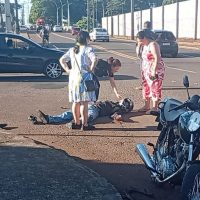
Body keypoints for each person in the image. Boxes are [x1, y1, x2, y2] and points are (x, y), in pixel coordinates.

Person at [59, 31, 97, 131]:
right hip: (84, 78)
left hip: (73, 79)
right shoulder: (88, 49)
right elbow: (95, 59)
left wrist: (68, 70)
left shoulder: (72, 50)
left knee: (75, 102)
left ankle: (76, 123)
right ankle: (85, 125)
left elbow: (62, 60)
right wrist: (91, 68)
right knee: (84, 103)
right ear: (86, 39)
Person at [36, 98, 134, 125]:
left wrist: (120, 118)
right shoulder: (114, 104)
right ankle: (49, 119)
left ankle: (75, 123)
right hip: (92, 106)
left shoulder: (117, 109)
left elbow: (115, 116)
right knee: (70, 113)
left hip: (96, 109)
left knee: (88, 116)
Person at [136, 29, 165, 113]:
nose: (139, 42)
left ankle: (154, 107)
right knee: (146, 87)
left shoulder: (153, 44)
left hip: (155, 69)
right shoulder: (144, 45)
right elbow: (139, 55)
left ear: (144, 38)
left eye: (140, 40)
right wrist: (138, 45)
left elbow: (157, 58)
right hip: (146, 69)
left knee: (155, 86)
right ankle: (146, 105)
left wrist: (153, 71)